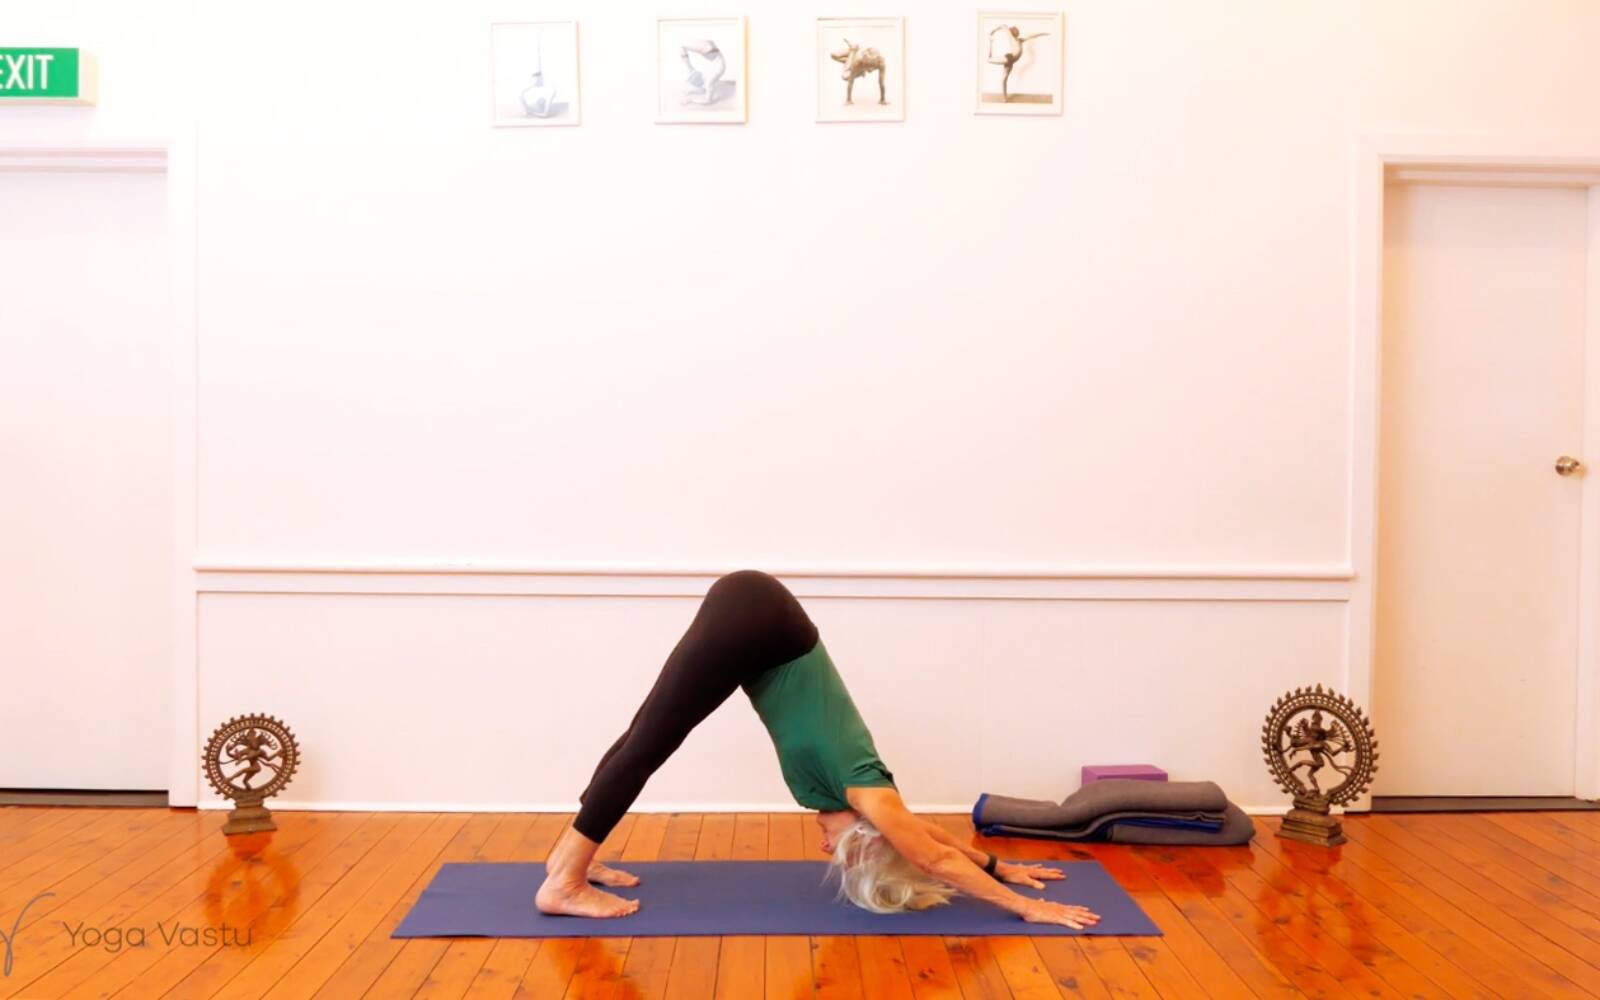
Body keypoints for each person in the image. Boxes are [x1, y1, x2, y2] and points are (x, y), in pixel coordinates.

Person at [534, 569, 1102, 929]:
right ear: (866, 839)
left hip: (758, 624)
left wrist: (1002, 867)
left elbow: (924, 838)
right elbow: (933, 858)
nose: (828, 852)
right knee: (650, 743)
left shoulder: (855, 802)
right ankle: (564, 883)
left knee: (644, 736)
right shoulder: (867, 795)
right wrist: (1028, 907)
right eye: (847, 858)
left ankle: (568, 858)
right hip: (760, 622)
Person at [987, 24, 1049, 102]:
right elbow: (1004, 26)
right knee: (989, 60)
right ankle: (990, 42)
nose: (1017, 32)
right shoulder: (1011, 38)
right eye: (1015, 31)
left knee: (1004, 79)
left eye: (1017, 31)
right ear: (1012, 33)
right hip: (1009, 58)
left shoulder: (1020, 40)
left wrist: (1043, 33)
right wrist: (993, 31)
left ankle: (1004, 98)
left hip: (1011, 60)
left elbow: (1032, 35)